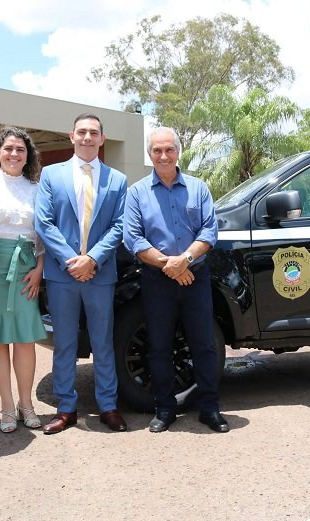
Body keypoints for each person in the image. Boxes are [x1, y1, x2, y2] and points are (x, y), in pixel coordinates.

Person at [123, 126, 229, 433]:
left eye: (169, 149)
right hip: (156, 281)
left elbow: (209, 231)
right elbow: (133, 238)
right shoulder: (137, 193)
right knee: (159, 346)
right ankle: (165, 409)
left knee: (204, 345)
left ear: (178, 152)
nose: (163, 155)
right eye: (157, 150)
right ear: (149, 154)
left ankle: (209, 408)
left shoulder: (198, 188)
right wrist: (169, 265)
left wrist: (185, 261)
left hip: (195, 278)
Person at [35, 113, 128, 434]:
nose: (87, 137)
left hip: (99, 275)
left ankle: (108, 405)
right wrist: (71, 260)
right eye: (82, 132)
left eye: (93, 132)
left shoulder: (117, 180)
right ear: (71, 136)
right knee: (65, 343)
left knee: (103, 342)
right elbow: (43, 222)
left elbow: (119, 226)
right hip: (62, 275)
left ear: (102, 139)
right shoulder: (51, 174)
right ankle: (65, 408)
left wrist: (93, 259)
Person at [0, 127, 47, 433]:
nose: (14, 154)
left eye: (20, 149)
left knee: (25, 338)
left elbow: (43, 232)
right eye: (8, 149)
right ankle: (6, 405)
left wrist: (39, 268)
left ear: (28, 155)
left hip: (27, 266)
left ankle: (26, 404)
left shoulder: (37, 187)